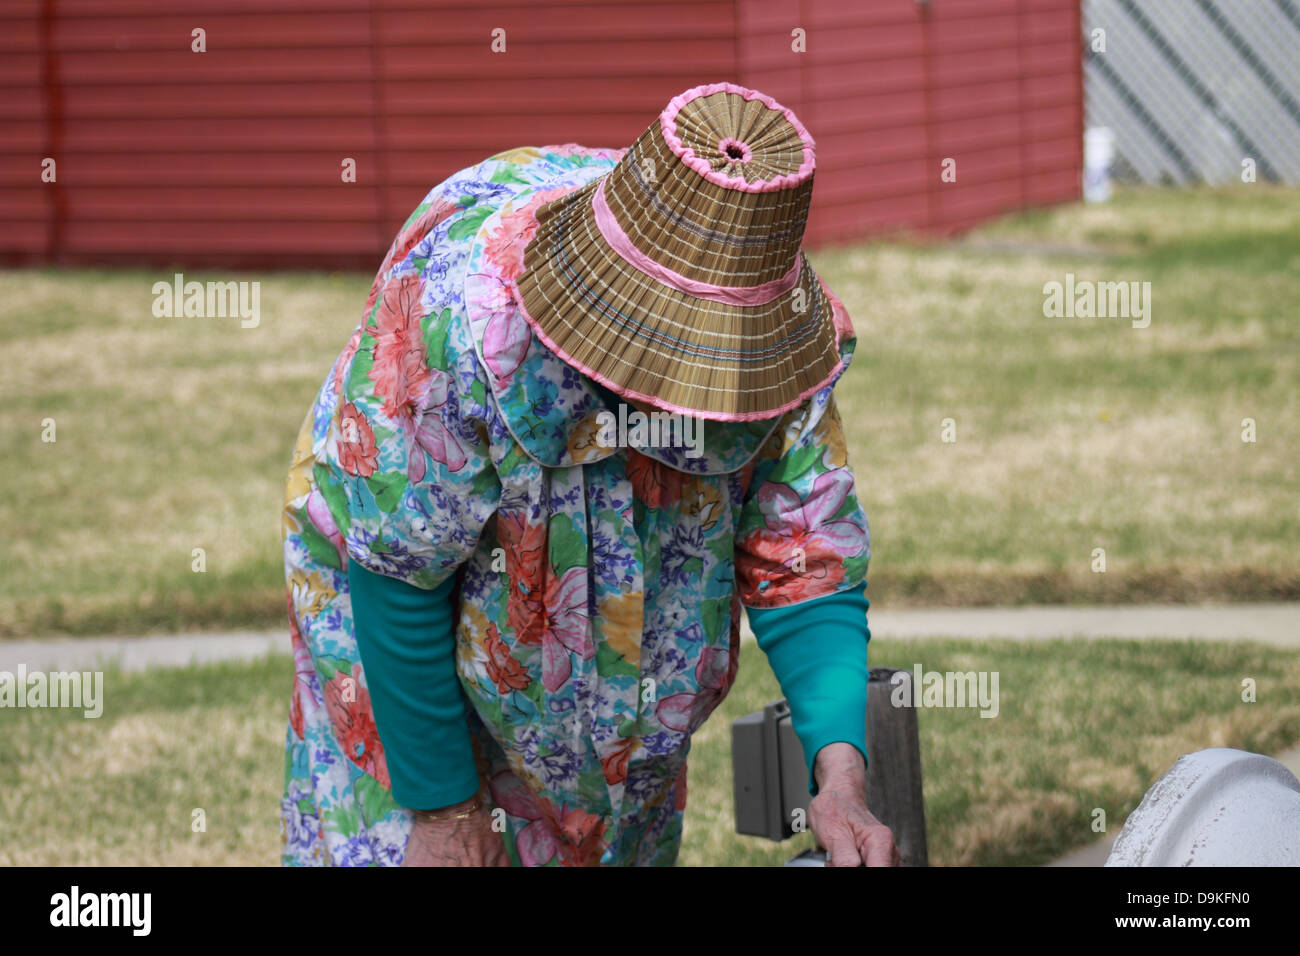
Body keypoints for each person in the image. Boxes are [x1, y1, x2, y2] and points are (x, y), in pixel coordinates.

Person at [279, 81, 899, 867]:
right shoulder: (461, 323)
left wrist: (840, 782)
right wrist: (444, 810)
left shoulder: (782, 353)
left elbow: (808, 562)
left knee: (611, 798)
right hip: (385, 582)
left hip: (612, 650)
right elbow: (398, 567)